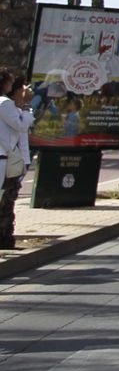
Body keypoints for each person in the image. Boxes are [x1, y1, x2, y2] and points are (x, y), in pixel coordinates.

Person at [0, 69, 34, 251]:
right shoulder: (5, 105)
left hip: (11, 158)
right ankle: (3, 238)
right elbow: (21, 126)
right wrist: (26, 105)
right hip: (6, 159)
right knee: (5, 199)